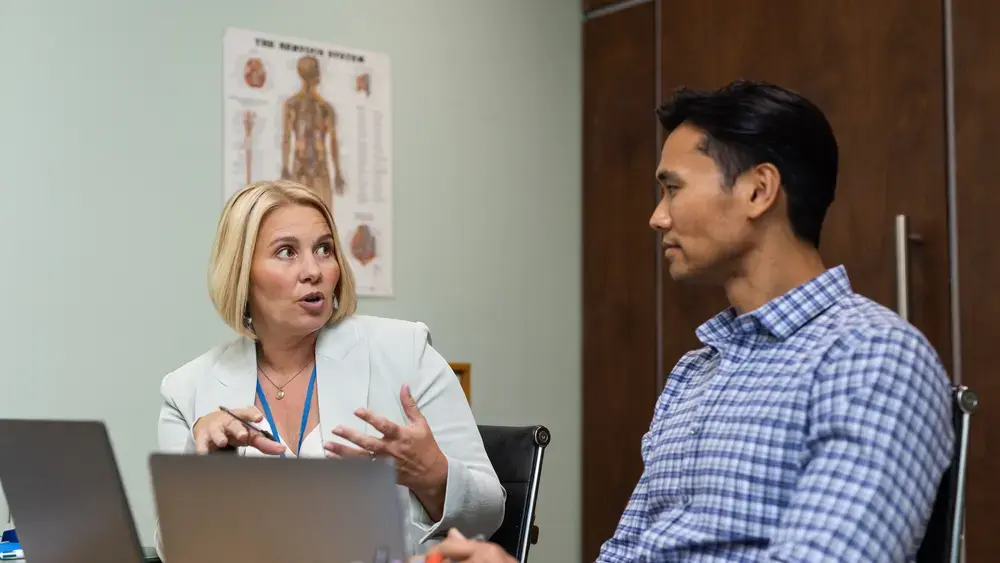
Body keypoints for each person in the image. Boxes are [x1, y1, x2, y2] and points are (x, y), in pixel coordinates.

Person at [420, 80, 955, 562]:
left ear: (758, 191)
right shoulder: (696, 372)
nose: (657, 216)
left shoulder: (875, 357)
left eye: (673, 187)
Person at [153, 179, 505, 558]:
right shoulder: (188, 389)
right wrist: (203, 469)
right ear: (241, 272)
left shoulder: (406, 352)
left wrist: (430, 473)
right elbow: (174, 552)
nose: (313, 270)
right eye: (286, 252)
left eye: (324, 249)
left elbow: (490, 512)